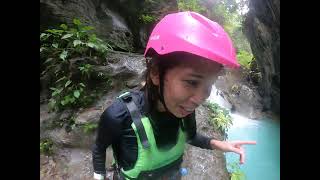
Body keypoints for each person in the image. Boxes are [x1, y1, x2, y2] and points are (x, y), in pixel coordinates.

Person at [92, 11, 256, 180]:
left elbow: (190, 137)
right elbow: (99, 147)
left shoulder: (184, 109)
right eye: (192, 82)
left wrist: (218, 144)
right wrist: (99, 176)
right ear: (155, 73)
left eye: (209, 85)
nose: (200, 99)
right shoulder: (118, 115)